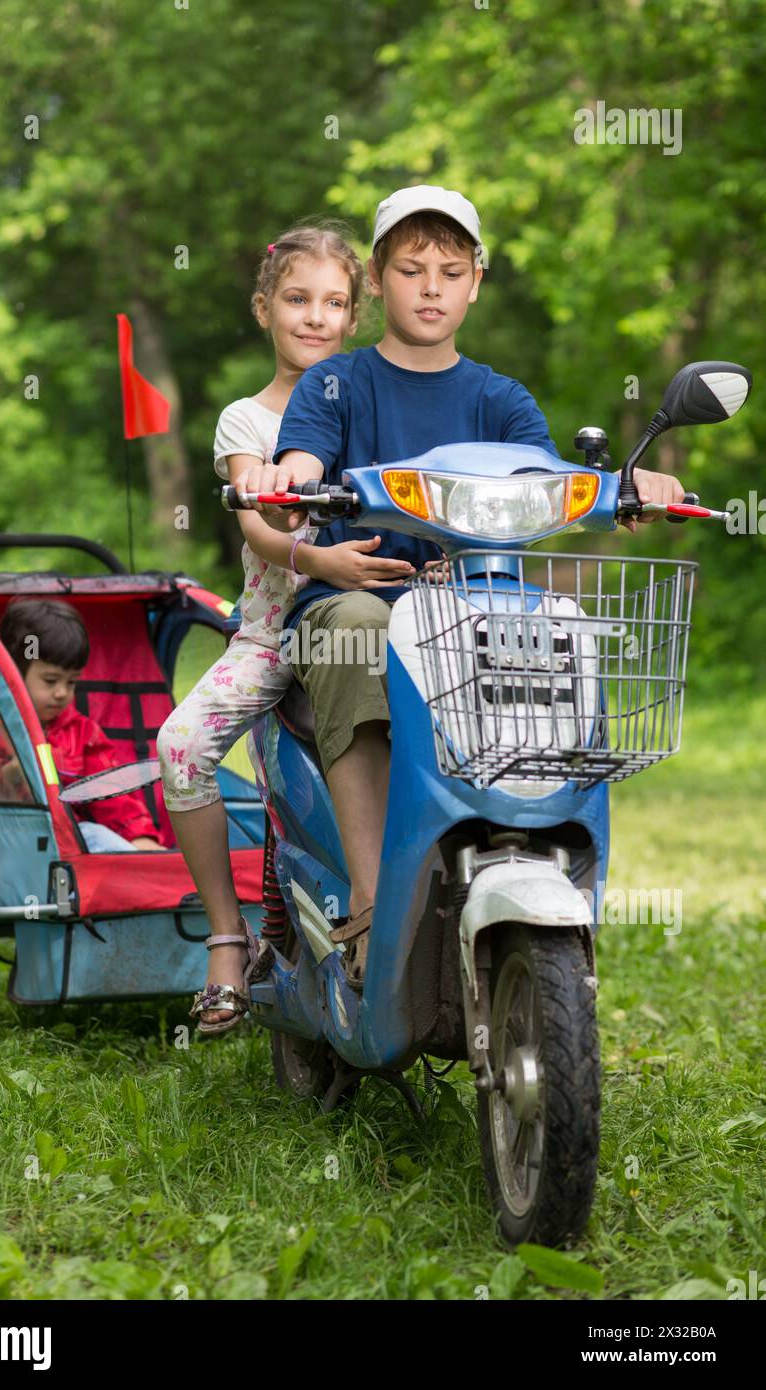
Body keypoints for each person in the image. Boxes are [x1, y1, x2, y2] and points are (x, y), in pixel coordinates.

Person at [235, 184, 686, 990]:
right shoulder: (336, 386)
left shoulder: (500, 399)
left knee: (556, 623)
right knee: (358, 626)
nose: (432, 286)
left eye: (451, 269)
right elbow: (302, 454)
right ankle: (374, 903)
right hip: (362, 593)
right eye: (412, 269)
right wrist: (292, 474)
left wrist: (626, 486)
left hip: (467, 600)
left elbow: (547, 481)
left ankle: (545, 863)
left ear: (476, 281)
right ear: (377, 279)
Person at [157, 222, 402, 1034]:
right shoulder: (246, 420)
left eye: (334, 303)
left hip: (373, 623)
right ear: (265, 309)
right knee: (181, 747)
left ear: (355, 319)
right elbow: (259, 533)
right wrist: (318, 560)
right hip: (274, 630)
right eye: (297, 300)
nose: (314, 317)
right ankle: (227, 938)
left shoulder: (373, 398)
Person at [0, 598, 166, 851]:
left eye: (72, 682)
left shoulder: (83, 733)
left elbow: (113, 796)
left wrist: (139, 837)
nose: (62, 693)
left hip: (70, 846)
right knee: (92, 835)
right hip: (8, 840)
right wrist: (9, 776)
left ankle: (142, 862)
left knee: (93, 835)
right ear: (14, 674)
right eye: (51, 680)